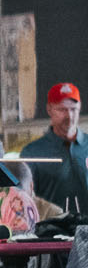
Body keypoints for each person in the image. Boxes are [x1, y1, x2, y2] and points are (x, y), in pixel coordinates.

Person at [20, 82, 85, 215]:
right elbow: (25, 198)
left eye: (73, 109)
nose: (69, 116)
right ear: (49, 109)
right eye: (62, 110)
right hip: (52, 232)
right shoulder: (32, 153)